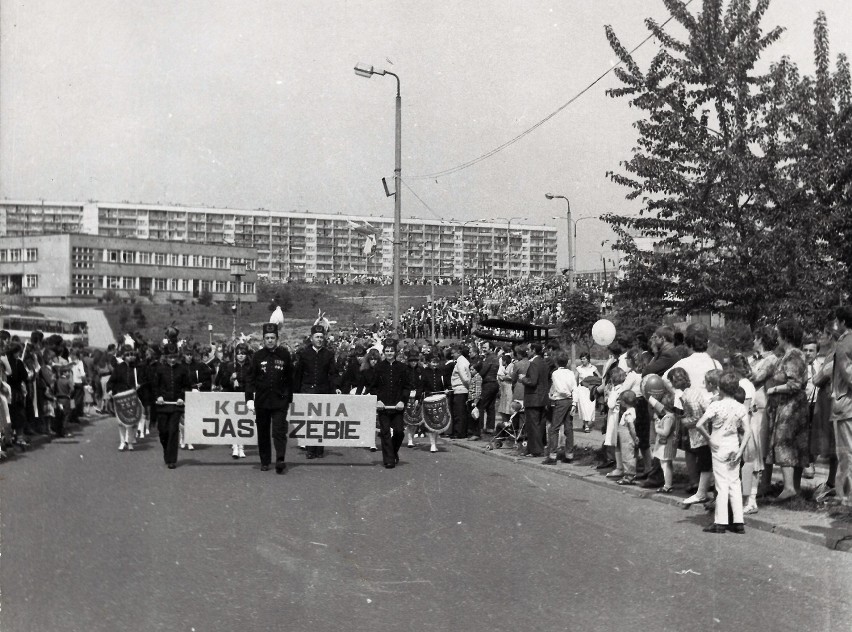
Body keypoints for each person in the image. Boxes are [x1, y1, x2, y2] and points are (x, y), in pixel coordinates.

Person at [696, 370, 753, 534]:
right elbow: (747, 431)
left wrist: (709, 439)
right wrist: (741, 450)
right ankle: (738, 521)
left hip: (719, 445)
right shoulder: (740, 407)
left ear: (720, 388)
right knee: (735, 483)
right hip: (734, 445)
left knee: (722, 484)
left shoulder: (716, 405)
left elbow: (700, 424)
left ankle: (720, 522)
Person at [764, 318, 809, 502]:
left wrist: (774, 389)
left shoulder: (793, 356)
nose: (777, 338)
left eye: (779, 334)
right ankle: (793, 488)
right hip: (791, 405)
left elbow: (795, 384)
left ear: (785, 336)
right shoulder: (791, 355)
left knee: (785, 443)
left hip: (791, 407)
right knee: (794, 445)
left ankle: (789, 487)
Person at [245, 323, 294, 474]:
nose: (270, 340)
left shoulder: (284, 354)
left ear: (277, 338)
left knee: (279, 431)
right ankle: (265, 461)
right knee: (263, 432)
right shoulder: (258, 356)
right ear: (263, 339)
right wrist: (249, 399)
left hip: (280, 401)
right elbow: (250, 379)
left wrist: (288, 398)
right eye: (267, 338)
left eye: (273, 338)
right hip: (262, 401)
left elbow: (290, 378)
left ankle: (280, 459)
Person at [293, 324, 339, 460]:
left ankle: (319, 449)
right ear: (311, 338)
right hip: (307, 391)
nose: (319, 339)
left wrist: (335, 388)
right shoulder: (304, 353)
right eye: (316, 337)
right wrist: (295, 392)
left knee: (322, 421)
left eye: (321, 337)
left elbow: (332, 373)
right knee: (309, 421)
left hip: (323, 391)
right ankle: (310, 449)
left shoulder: (329, 354)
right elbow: (298, 374)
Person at [371, 338, 411, 468]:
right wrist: (378, 401)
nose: (389, 353)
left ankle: (392, 452)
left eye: (391, 351)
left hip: (397, 406)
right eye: (387, 351)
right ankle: (389, 460)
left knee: (399, 432)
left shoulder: (403, 368)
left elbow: (406, 387)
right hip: (383, 406)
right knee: (385, 432)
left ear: (395, 352)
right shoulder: (378, 367)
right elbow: (373, 387)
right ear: (384, 352)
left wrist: (402, 401)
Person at [153, 344, 191, 469]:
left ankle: (172, 460)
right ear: (166, 357)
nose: (172, 360)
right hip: (163, 405)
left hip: (176, 405)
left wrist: (182, 397)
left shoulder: (183, 369)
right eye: (170, 357)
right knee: (163, 431)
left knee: (173, 431)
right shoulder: (159, 369)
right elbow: (155, 386)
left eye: (174, 357)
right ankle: (166, 451)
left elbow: (187, 386)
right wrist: (158, 396)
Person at [830, 306, 852, 507]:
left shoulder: (844, 342)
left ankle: (845, 495)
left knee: (846, 451)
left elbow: (847, 373)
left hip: (845, 404)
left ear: (843, 322)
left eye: (837, 321)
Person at [216, 343, 251, 459]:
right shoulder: (230, 366)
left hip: (244, 396)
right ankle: (235, 446)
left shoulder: (250, 366)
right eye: (239, 354)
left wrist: (244, 384)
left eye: (243, 354)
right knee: (233, 422)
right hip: (232, 397)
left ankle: (242, 447)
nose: (241, 356)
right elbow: (223, 382)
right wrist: (231, 379)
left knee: (243, 421)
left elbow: (253, 382)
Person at [106, 345, 145, 451]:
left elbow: (144, 380)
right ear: (124, 356)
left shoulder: (138, 368)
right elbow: (111, 381)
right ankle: (123, 442)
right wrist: (110, 390)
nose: (131, 357)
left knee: (132, 421)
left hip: (133, 396)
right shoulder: (119, 368)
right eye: (128, 355)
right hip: (121, 397)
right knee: (121, 422)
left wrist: (140, 385)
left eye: (132, 354)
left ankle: (130, 442)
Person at [543, 350, 576, 465]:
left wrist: (553, 396)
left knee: (554, 428)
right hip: (570, 400)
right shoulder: (571, 373)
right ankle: (569, 454)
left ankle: (552, 455)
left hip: (560, 400)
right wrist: (574, 402)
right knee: (568, 428)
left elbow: (559, 388)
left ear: (556, 362)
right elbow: (574, 388)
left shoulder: (555, 374)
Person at [519, 342, 550, 458]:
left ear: (533, 350)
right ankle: (538, 447)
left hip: (533, 398)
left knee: (533, 425)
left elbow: (532, 381)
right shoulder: (543, 362)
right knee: (540, 425)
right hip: (542, 398)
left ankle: (536, 450)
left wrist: (523, 379)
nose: (527, 351)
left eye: (528, 349)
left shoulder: (534, 363)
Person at [615, 389, 639, 485]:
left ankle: (629, 475)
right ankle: (628, 474)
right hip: (624, 439)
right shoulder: (631, 410)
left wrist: (634, 437)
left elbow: (631, 426)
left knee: (628, 456)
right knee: (627, 456)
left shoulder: (629, 413)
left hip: (627, 439)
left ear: (624, 403)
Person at [573, 352, 600, 433]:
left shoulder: (593, 368)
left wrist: (595, 383)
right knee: (584, 408)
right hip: (582, 390)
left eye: (584, 359)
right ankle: (586, 425)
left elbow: (600, 377)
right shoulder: (579, 368)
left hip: (591, 390)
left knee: (590, 408)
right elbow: (575, 379)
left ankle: (587, 423)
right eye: (581, 359)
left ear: (588, 359)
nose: (582, 360)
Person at [449, 344, 471, 439]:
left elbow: (465, 378)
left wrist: (468, 387)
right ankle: (460, 432)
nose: (452, 355)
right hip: (461, 389)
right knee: (461, 413)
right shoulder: (462, 361)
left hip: (460, 390)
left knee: (459, 413)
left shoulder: (461, 362)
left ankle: (459, 433)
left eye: (453, 353)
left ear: (458, 352)